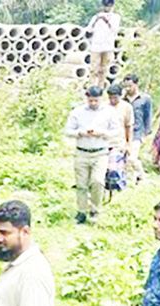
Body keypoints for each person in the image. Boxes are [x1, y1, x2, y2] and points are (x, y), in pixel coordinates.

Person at [63, 85, 120, 224]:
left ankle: (95, 209)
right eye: (91, 100)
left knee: (97, 181)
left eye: (96, 100)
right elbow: (68, 130)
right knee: (81, 184)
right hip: (82, 151)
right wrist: (80, 133)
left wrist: (103, 133)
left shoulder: (109, 112)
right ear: (87, 98)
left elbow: (116, 130)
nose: (93, 103)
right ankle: (81, 211)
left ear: (101, 99)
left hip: (100, 152)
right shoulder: (78, 112)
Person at [123, 74, 153, 183]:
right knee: (125, 158)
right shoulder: (123, 100)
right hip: (124, 133)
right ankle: (131, 178)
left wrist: (146, 133)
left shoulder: (145, 99)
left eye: (130, 86)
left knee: (132, 157)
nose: (127, 89)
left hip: (137, 132)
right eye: (125, 86)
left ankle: (142, 176)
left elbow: (148, 116)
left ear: (136, 85)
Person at [86, 0, 121, 88]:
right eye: (106, 6)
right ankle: (92, 86)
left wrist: (106, 20)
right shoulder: (96, 17)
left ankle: (100, 86)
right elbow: (89, 30)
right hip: (96, 46)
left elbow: (115, 30)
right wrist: (97, 19)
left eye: (109, 6)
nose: (107, 8)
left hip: (108, 46)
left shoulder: (116, 17)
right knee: (94, 68)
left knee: (104, 68)